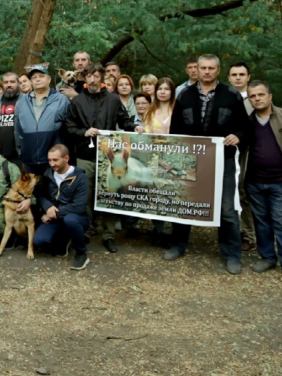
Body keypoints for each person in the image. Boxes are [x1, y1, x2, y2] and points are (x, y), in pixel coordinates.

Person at [166, 54, 251, 274]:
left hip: (223, 160)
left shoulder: (231, 95)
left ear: (218, 70)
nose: (206, 71)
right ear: (197, 69)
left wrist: (238, 136)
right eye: (202, 68)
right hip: (190, 160)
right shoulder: (185, 94)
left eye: (210, 68)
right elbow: (175, 128)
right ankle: (178, 245)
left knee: (226, 208)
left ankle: (231, 254)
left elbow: (245, 127)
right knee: (185, 202)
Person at [64, 63, 136, 253]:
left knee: (109, 194)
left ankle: (109, 234)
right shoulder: (77, 101)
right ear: (84, 78)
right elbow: (69, 126)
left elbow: (125, 120)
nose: (93, 80)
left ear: (102, 77)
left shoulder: (113, 100)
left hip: (109, 156)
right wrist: (83, 131)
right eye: (89, 76)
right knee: (84, 196)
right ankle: (85, 230)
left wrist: (134, 127)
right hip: (85, 156)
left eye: (96, 76)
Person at [241, 81, 282, 283]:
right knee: (261, 222)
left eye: (261, 94)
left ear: (270, 96)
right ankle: (267, 257)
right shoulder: (247, 123)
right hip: (254, 181)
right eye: (252, 96)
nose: (257, 99)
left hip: (281, 181)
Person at [33, 144, 91, 270]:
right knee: (39, 241)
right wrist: (47, 207)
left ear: (66, 158)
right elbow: (40, 196)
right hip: (55, 217)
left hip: (76, 217)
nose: (52, 164)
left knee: (70, 220)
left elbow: (79, 206)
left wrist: (54, 214)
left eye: (55, 160)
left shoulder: (80, 178)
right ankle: (65, 239)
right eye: (49, 160)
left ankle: (81, 253)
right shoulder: (48, 174)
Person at [14, 65, 70, 176]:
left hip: (54, 158)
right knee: (32, 192)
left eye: (41, 76)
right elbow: (17, 128)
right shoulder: (22, 101)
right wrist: (20, 150)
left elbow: (68, 128)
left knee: (53, 191)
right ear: (31, 82)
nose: (38, 79)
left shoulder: (61, 99)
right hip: (29, 157)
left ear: (49, 79)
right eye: (34, 77)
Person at [141, 77, 176, 247]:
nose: (162, 92)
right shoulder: (150, 111)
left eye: (166, 89)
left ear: (172, 91)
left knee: (173, 193)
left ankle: (175, 231)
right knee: (157, 193)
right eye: (160, 88)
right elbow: (146, 134)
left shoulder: (177, 109)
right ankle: (158, 230)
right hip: (154, 158)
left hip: (173, 157)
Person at [228, 61, 256, 251]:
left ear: (248, 77)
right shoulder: (227, 97)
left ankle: (250, 235)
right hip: (230, 151)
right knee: (231, 191)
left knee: (246, 191)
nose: (238, 77)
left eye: (241, 74)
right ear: (229, 77)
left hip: (251, 152)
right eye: (234, 74)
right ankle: (233, 231)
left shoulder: (255, 98)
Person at [0, 72, 21, 166]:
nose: (9, 85)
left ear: (18, 83)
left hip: (19, 153)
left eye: (12, 82)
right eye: (6, 82)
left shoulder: (26, 100)